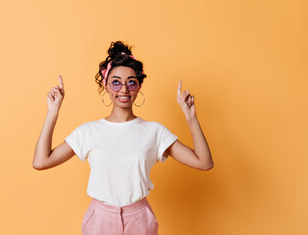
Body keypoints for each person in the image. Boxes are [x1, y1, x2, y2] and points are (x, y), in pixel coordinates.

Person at [32, 41, 213, 235]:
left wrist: (190, 117)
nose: (124, 89)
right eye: (116, 82)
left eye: (131, 82)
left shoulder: (154, 131)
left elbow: (204, 162)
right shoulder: (88, 131)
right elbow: (41, 161)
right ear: (106, 86)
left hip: (140, 220)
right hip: (99, 221)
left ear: (139, 85)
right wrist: (53, 112)